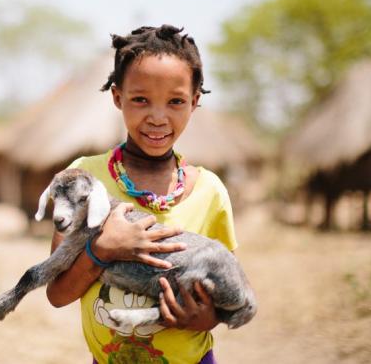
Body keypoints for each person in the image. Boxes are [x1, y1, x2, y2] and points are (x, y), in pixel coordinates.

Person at [46, 25, 238, 364]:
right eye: (140, 99)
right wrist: (102, 250)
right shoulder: (85, 179)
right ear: (117, 97)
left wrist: (202, 317)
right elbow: (58, 294)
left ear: (195, 102)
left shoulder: (210, 192)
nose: (158, 117)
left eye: (176, 101)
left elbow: (228, 298)